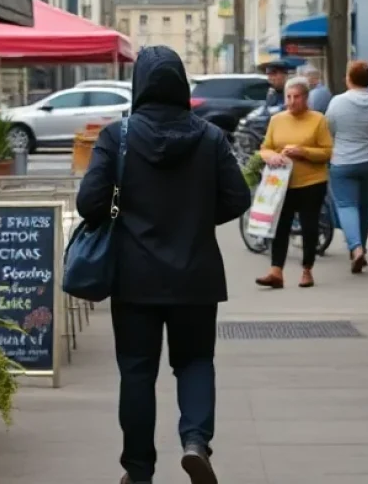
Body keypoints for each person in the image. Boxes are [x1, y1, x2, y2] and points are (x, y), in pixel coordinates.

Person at [77, 45, 251, 484]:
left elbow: (88, 203)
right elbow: (238, 198)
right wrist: (195, 219)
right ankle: (195, 442)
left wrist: (124, 212)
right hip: (196, 275)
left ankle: (138, 472)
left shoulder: (117, 137)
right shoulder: (210, 136)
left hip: (134, 277)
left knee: (137, 370)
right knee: (195, 362)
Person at [255, 76, 334, 289]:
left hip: (311, 183)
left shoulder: (317, 120)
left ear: (306, 98)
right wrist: (271, 156)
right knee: (280, 227)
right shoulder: (277, 120)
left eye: (296, 97)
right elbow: (265, 147)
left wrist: (303, 151)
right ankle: (275, 271)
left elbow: (327, 152)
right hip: (281, 184)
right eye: (288, 97)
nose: (291, 101)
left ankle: (307, 269)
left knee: (309, 228)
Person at [325, 60, 368, 273]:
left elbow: (329, 129)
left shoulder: (337, 103)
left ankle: (356, 248)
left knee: (346, 205)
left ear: (349, 79)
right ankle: (361, 247)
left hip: (343, 160)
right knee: (365, 205)